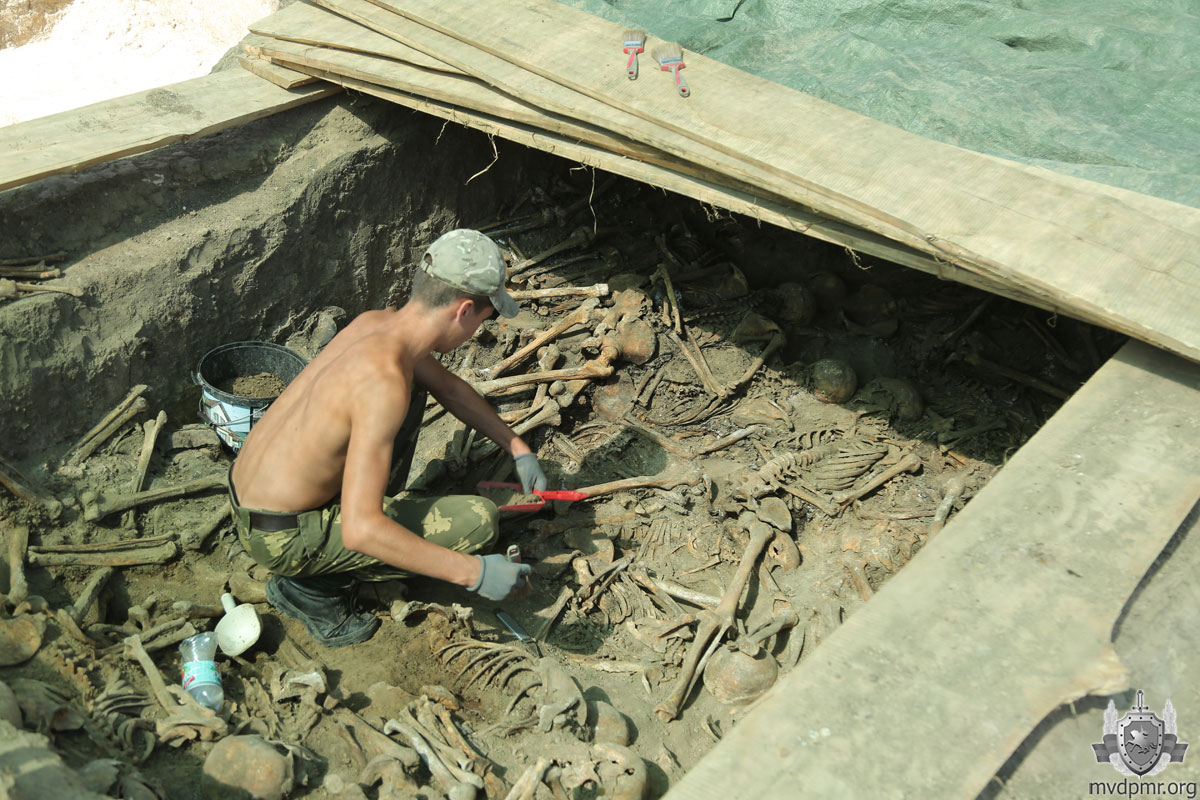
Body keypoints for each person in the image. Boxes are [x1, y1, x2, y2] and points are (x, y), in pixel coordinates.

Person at [227, 229, 547, 647]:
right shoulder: (384, 383)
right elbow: (361, 530)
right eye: (483, 320)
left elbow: (449, 388)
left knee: (415, 384)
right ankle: (312, 590)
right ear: (464, 310)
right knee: (478, 521)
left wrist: (516, 446)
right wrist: (476, 573)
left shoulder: (375, 325)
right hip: (280, 538)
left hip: (249, 498)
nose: (476, 331)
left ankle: (327, 548)